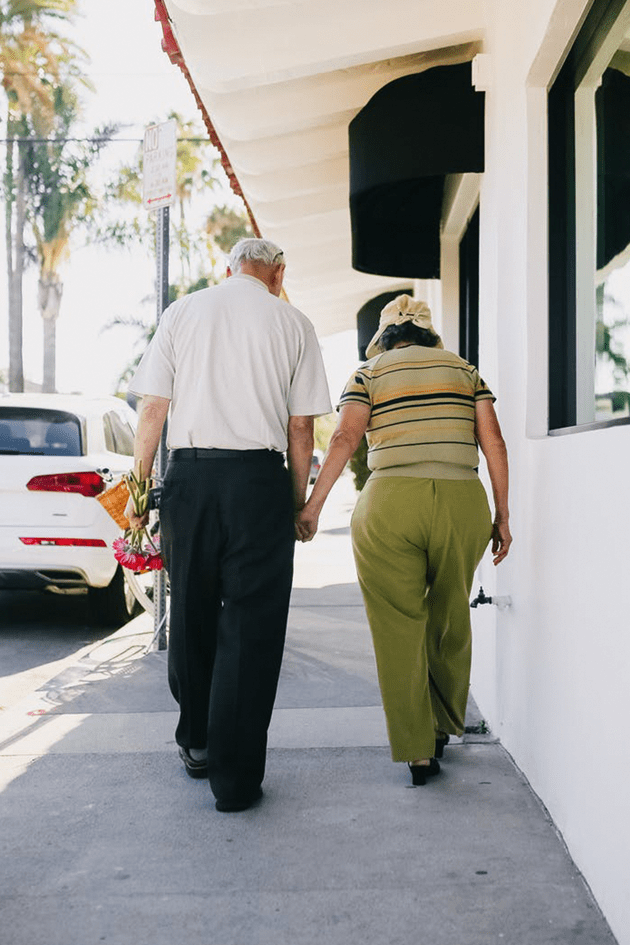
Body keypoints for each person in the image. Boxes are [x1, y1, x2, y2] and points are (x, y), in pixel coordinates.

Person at [126, 238, 332, 811]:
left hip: (190, 480)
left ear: (228, 269)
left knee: (191, 610)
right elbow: (301, 429)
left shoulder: (183, 312)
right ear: (277, 273)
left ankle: (195, 743)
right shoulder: (293, 323)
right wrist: (294, 503)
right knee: (251, 626)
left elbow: (151, 411)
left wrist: (140, 492)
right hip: (258, 483)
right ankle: (235, 782)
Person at [296, 295, 511, 786]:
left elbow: (345, 438)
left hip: (389, 503)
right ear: (429, 335)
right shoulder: (465, 372)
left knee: (398, 627)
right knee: (450, 612)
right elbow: (493, 441)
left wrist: (312, 507)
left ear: (384, 337)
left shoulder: (368, 373)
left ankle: (417, 752)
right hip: (461, 500)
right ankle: (441, 723)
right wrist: (502, 514)